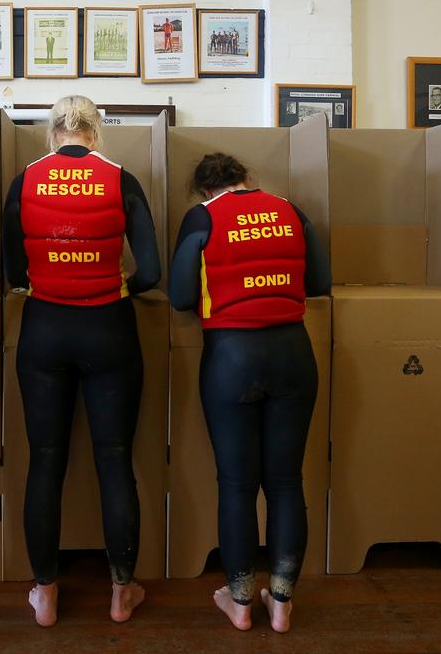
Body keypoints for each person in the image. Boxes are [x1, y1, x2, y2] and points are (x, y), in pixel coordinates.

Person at [3, 95, 161, 628]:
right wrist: (120, 283)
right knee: (114, 459)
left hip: (44, 328)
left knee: (45, 460)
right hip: (109, 327)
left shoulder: (25, 180)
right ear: (96, 133)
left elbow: (12, 269)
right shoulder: (121, 178)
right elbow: (153, 271)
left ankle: (45, 594)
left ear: (54, 134)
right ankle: (121, 592)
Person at [168, 153, 331, 634]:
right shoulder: (289, 210)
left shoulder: (203, 217)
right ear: (246, 179)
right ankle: (281, 604)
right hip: (293, 354)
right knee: (285, 482)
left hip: (230, 360)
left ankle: (240, 603)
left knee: (237, 485)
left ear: (204, 189)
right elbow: (319, 283)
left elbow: (179, 297)